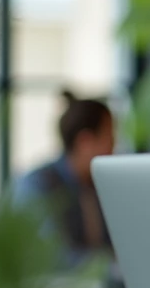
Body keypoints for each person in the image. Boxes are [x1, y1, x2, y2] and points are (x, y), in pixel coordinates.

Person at [14, 91, 116, 266]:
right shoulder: (38, 185)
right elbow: (53, 255)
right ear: (85, 142)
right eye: (109, 137)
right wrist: (111, 264)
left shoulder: (101, 186)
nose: (114, 147)